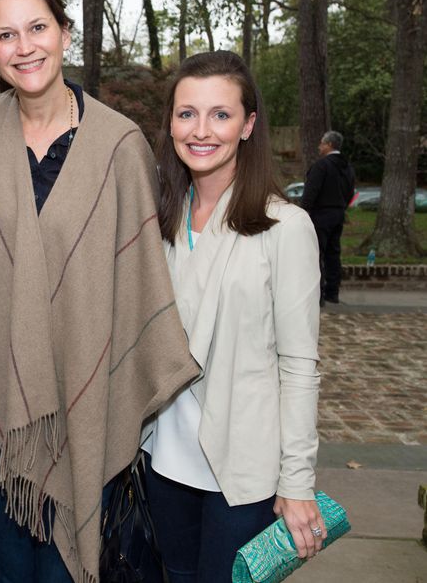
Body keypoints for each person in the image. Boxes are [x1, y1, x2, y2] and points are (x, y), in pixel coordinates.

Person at [0, 0, 198, 583]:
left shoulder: (119, 145)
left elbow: (138, 282)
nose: (24, 46)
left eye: (38, 27)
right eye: (6, 34)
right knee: (8, 574)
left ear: (64, 32)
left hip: (88, 411)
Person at [142, 50, 324, 583]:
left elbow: (299, 365)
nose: (201, 130)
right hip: (162, 461)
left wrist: (297, 481)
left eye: (220, 114)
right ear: (171, 123)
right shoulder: (158, 220)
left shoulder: (283, 227)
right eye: (187, 113)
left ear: (248, 125)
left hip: (239, 474)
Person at [301, 130, 355, 305]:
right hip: (338, 213)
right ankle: (333, 292)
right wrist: (341, 207)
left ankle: (318, 294)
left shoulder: (322, 166)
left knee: (317, 253)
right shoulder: (347, 167)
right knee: (333, 253)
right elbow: (350, 191)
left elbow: (311, 191)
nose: (319, 146)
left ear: (329, 145)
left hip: (321, 214)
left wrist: (304, 212)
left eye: (322, 143)